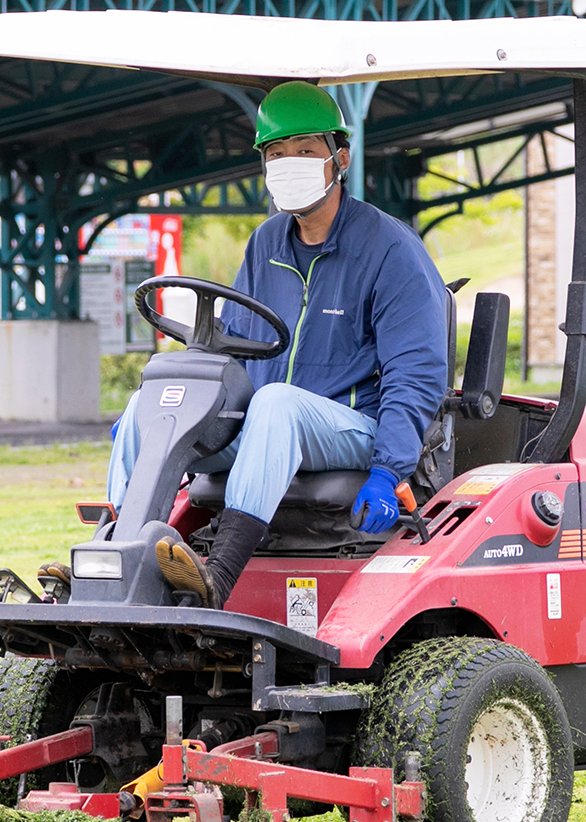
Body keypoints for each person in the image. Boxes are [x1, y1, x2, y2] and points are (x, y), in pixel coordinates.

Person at [98, 82, 449, 609]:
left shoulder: (390, 248)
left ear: (340, 157)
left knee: (275, 403)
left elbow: (416, 372)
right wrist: (166, 415)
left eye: (306, 150)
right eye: (277, 153)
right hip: (268, 429)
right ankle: (110, 560)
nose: (290, 163)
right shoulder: (266, 244)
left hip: (351, 426)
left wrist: (387, 469)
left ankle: (217, 578)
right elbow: (231, 347)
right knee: (150, 400)